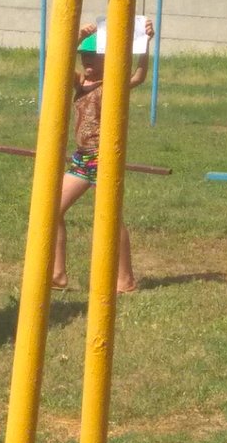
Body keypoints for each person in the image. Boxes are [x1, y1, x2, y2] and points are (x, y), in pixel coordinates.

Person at [52, 18, 154, 294]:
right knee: (52, 208)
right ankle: (58, 274)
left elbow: (138, 77)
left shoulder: (112, 83)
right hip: (81, 159)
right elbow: (60, 64)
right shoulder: (80, 83)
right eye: (83, 55)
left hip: (103, 158)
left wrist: (145, 45)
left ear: (107, 58)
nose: (87, 61)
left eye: (93, 56)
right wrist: (77, 37)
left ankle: (125, 279)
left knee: (109, 216)